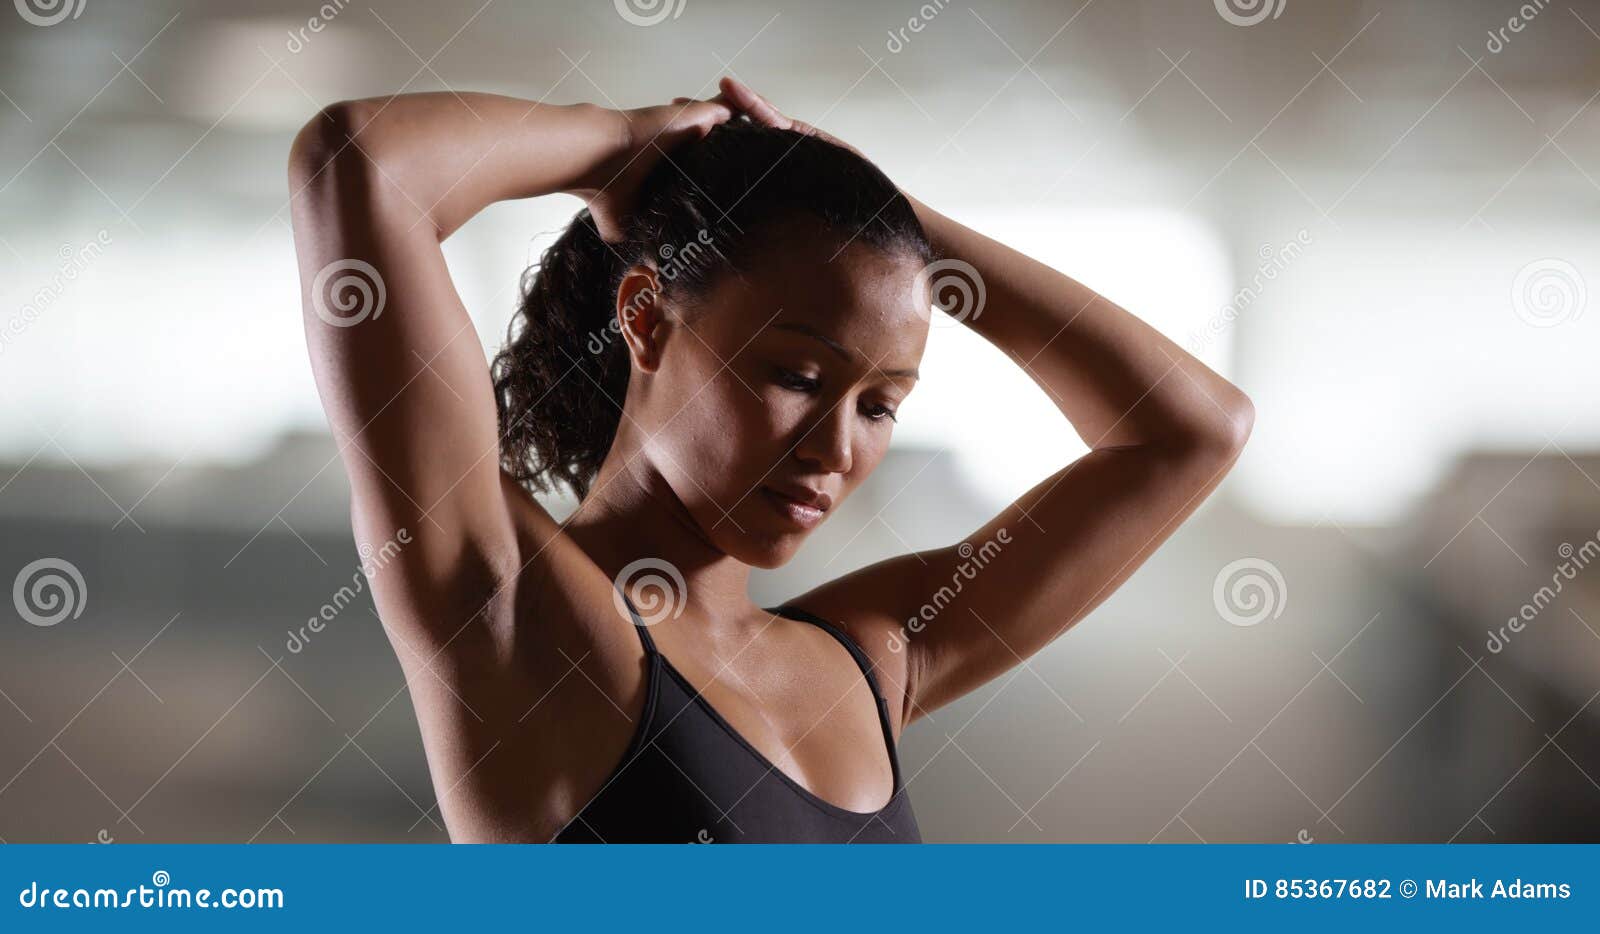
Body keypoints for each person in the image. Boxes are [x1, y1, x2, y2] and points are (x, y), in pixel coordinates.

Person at [286, 76, 1253, 843]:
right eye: (795, 373)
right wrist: (624, 143)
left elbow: (1194, 430)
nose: (836, 449)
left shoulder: (873, 659)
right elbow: (359, 162)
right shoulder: (514, 615)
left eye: (879, 405)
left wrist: (884, 210)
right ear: (644, 318)